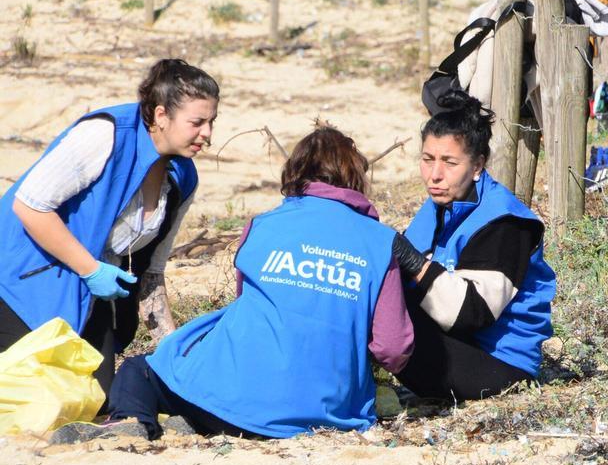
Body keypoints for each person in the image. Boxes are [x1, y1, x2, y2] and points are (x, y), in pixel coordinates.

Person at [64, 126, 414, 442]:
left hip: (236, 399)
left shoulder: (264, 225)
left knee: (140, 369)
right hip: (331, 413)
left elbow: (250, 308)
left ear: (295, 173)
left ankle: (134, 422)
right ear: (356, 178)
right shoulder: (379, 241)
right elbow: (393, 348)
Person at [0, 58, 219, 391]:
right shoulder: (106, 134)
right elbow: (30, 206)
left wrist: (172, 354)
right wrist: (91, 270)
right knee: (38, 395)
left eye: (212, 122)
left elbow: (151, 274)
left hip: (86, 294)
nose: (207, 135)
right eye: (197, 122)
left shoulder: (182, 179)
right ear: (161, 115)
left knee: (97, 401)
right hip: (19, 281)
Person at [390, 90, 556, 402]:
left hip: (500, 366)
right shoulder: (440, 203)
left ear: (478, 165)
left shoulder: (505, 223)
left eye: (449, 162)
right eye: (427, 160)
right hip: (455, 342)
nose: (435, 175)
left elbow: (471, 314)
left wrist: (408, 259)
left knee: (380, 313)